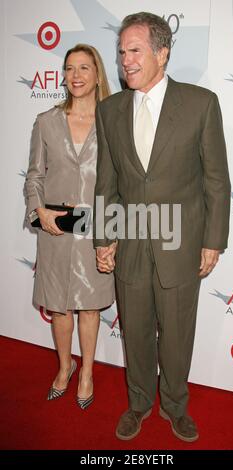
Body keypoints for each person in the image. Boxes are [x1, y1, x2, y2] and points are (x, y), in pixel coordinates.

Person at [94, 12, 231, 441]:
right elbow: (107, 179)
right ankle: (138, 404)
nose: (125, 61)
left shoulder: (200, 103)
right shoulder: (110, 109)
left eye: (134, 51)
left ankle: (174, 404)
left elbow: (216, 180)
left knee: (175, 335)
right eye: (121, 53)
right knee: (135, 332)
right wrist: (104, 236)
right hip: (131, 243)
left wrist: (213, 240)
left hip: (182, 242)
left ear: (162, 52)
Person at [25, 44, 115, 409]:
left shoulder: (113, 124)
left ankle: (88, 372)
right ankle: (65, 367)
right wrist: (39, 212)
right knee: (60, 307)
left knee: (90, 308)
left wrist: (113, 235)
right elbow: (34, 177)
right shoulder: (46, 121)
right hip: (56, 227)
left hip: (96, 228)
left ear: (97, 75)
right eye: (69, 69)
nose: (75, 76)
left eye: (83, 68)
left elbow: (122, 184)